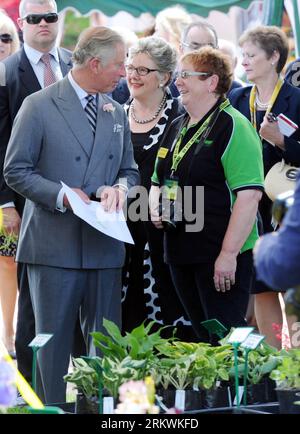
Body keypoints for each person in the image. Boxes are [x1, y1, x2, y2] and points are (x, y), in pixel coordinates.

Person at [4, 25, 139, 403]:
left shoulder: (115, 110)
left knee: (106, 349)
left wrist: (121, 189)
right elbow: (15, 170)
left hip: (104, 246)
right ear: (95, 63)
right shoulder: (39, 105)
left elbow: (129, 170)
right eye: (119, 65)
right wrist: (62, 196)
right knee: (52, 348)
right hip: (53, 247)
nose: (124, 73)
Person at [149, 47, 264, 343]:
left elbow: (249, 197)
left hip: (218, 256)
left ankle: (239, 391)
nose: (178, 81)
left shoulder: (234, 126)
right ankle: (213, 392)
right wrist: (156, 207)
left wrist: (227, 255)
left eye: (186, 75)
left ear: (211, 82)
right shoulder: (177, 125)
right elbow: (157, 180)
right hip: (181, 252)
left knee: (227, 342)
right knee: (201, 341)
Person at [0, 0, 77, 384]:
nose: (44, 24)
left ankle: (78, 381)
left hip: (79, 201)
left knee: (76, 290)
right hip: (25, 201)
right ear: (21, 22)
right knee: (32, 297)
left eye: (50, 17)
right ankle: (31, 385)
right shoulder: (6, 72)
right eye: (35, 18)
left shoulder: (75, 62)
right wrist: (4, 204)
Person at [229, 25, 300, 349]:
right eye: (242, 55)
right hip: (248, 206)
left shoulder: (296, 99)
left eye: (251, 55)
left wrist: (282, 142)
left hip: (286, 209)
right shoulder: (238, 98)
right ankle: (274, 368)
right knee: (259, 285)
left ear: (273, 57)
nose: (244, 62)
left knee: (292, 286)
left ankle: (295, 363)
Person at [122, 36, 193, 339]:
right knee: (125, 329)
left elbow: (193, 181)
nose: (133, 75)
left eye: (143, 70)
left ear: (165, 77)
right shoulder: (114, 114)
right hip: (120, 238)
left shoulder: (183, 117)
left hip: (165, 240)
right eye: (129, 67)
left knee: (169, 331)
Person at [254, 174, 300, 346]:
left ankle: (294, 362)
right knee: (262, 289)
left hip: (284, 191)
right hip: (261, 208)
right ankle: (272, 362)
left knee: (292, 289)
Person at [0, 10, 20, 358]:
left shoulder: (18, 78)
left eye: (5, 37)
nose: (0, 45)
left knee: (9, 261)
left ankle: (10, 331)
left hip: (10, 190)